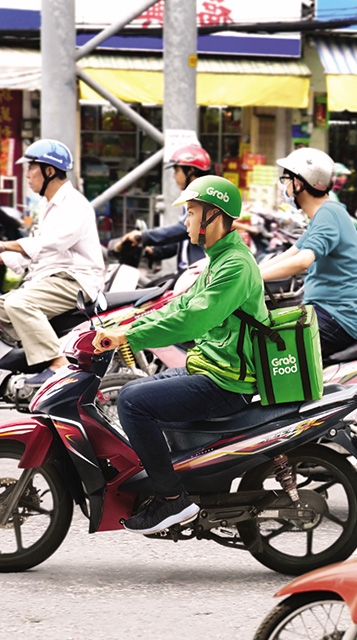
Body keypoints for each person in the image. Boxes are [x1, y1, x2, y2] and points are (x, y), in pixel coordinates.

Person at [91, 176, 267, 534]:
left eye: (190, 212)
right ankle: (187, 482)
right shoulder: (220, 258)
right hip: (209, 367)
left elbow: (192, 319)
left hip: (225, 381)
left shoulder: (234, 266)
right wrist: (125, 320)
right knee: (147, 391)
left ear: (213, 216)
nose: (185, 221)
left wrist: (131, 335)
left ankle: (172, 501)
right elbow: (179, 304)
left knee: (132, 402)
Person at [0, 139, 105, 386]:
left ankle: (57, 364)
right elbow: (34, 250)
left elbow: (49, 243)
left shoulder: (74, 205)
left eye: (31, 168)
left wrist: (2, 245)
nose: (27, 176)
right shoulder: (48, 204)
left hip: (73, 280)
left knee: (18, 302)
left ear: (49, 171)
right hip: (48, 279)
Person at [260, 147, 357, 359]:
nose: (284, 186)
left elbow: (303, 260)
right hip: (325, 314)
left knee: (265, 351)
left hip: (335, 319)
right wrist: (248, 271)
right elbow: (292, 252)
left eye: (286, 179)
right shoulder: (324, 214)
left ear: (299, 183)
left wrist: (252, 276)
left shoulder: (328, 213)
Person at [118, 144, 212, 271]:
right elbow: (182, 240)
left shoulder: (204, 198)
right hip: (188, 273)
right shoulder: (192, 197)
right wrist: (155, 252)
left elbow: (182, 229)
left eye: (177, 170)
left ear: (190, 170)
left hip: (201, 277)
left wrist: (143, 236)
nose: (174, 176)